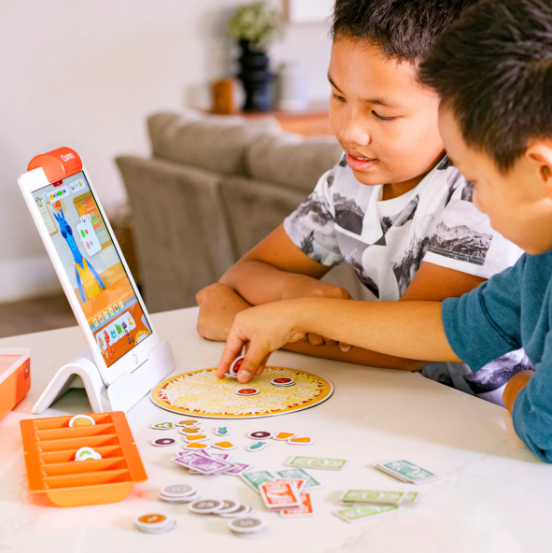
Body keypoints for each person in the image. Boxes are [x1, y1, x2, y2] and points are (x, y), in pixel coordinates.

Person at [216, 0, 552, 462]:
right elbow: (456, 326)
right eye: (337, 97)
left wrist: (516, 390)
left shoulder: (491, 203)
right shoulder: (538, 265)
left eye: (477, 183)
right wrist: (297, 312)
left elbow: (542, 422)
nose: (352, 132)